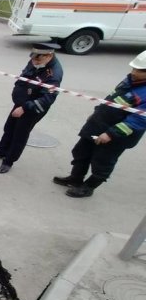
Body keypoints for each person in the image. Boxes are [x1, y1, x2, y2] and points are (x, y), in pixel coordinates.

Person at [52, 50, 146, 197]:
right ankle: (75, 178)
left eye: (140, 70)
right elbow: (112, 99)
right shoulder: (130, 80)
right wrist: (97, 113)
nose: (134, 72)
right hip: (98, 124)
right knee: (80, 152)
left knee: (102, 162)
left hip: (116, 135)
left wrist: (111, 133)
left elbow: (139, 120)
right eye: (134, 68)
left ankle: (88, 187)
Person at [0, 42, 63, 174]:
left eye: (38, 58)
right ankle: (1, 151)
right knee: (9, 128)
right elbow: (24, 78)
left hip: (33, 108)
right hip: (21, 103)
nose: (34, 61)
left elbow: (47, 99)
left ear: (49, 56)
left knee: (20, 134)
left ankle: (9, 161)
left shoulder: (53, 74)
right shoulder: (36, 60)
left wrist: (24, 108)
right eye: (33, 57)